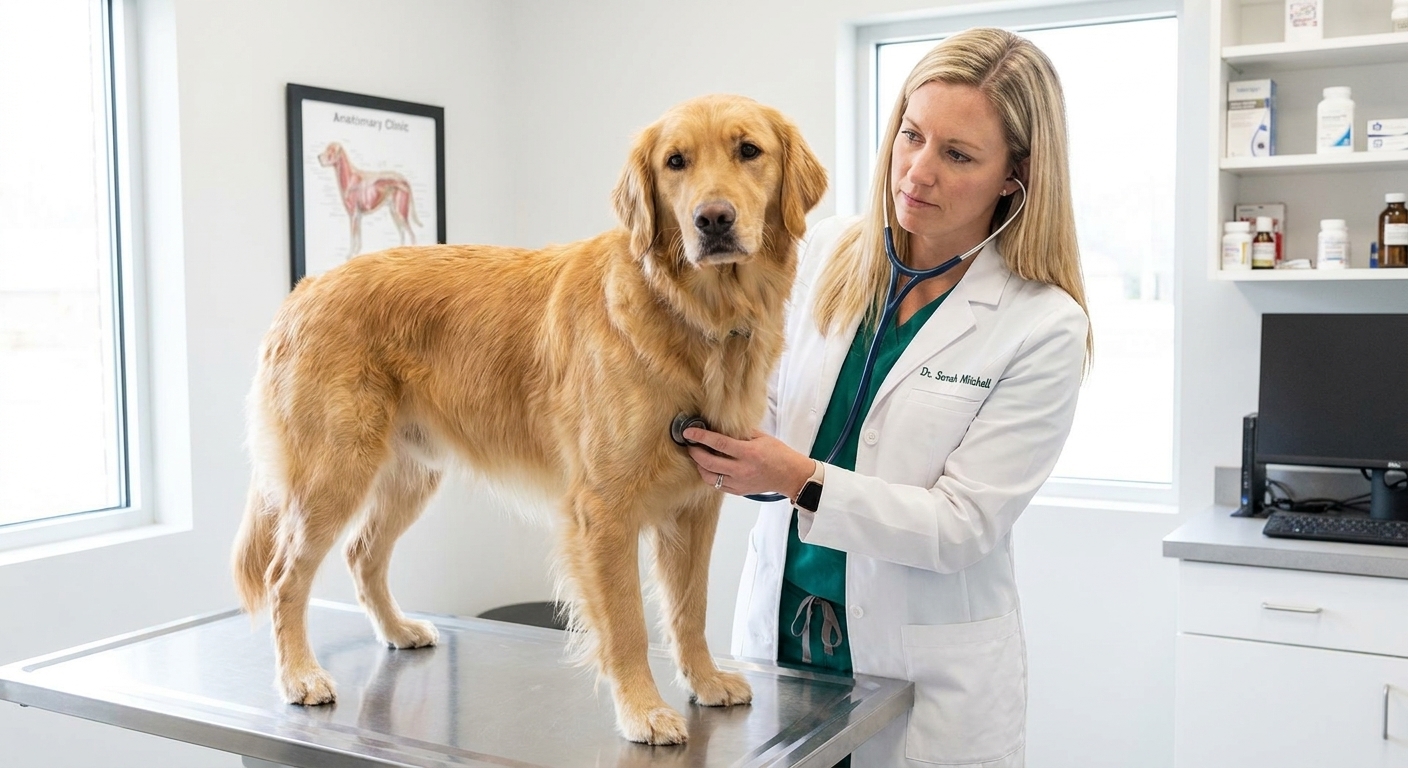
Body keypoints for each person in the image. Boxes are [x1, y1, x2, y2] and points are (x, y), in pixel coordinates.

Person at [683, 27, 1091, 768]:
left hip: (924, 691)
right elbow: (760, 415)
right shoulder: (819, 257)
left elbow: (962, 527)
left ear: (1015, 175)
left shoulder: (1043, 326)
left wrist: (795, 478)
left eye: (957, 155)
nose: (917, 171)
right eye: (911, 135)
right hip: (784, 654)